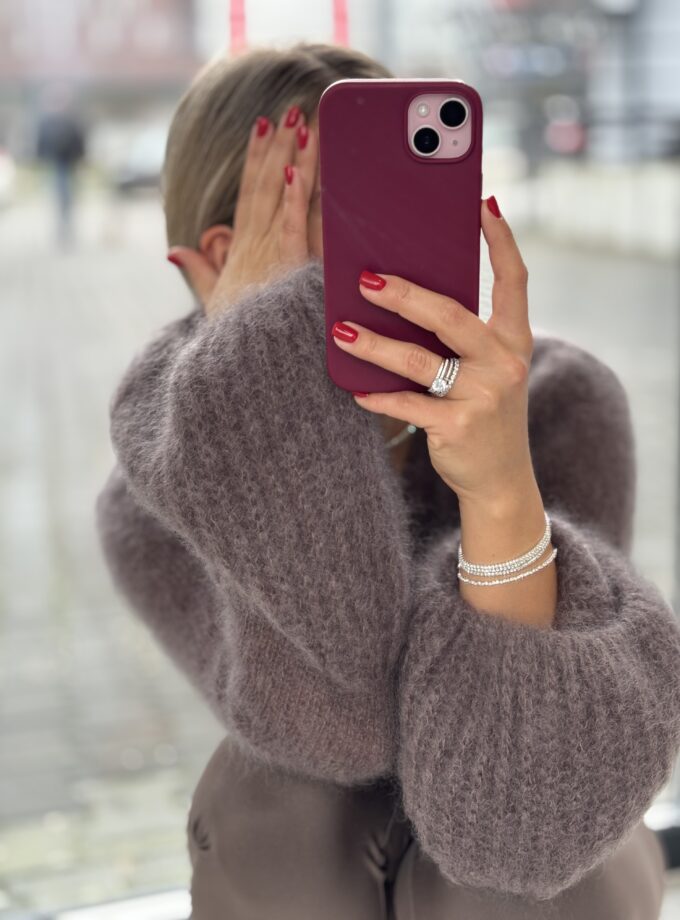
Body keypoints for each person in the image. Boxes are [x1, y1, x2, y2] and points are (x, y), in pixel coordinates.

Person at [95, 43, 680, 919]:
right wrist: (259, 372)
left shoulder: (560, 403)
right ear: (229, 256)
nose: (407, 237)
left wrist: (501, 493)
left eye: (422, 196)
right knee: (284, 817)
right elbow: (342, 729)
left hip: (538, 853)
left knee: (493, 873)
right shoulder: (151, 491)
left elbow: (521, 816)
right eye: (359, 207)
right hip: (317, 853)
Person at [36, 85, 86, 247]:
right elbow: (41, 142)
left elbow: (79, 141)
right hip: (56, 164)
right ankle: (63, 228)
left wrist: (81, 158)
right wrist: (40, 157)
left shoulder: (71, 121)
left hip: (70, 163)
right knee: (61, 196)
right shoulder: (48, 121)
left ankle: (66, 227)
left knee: (67, 197)